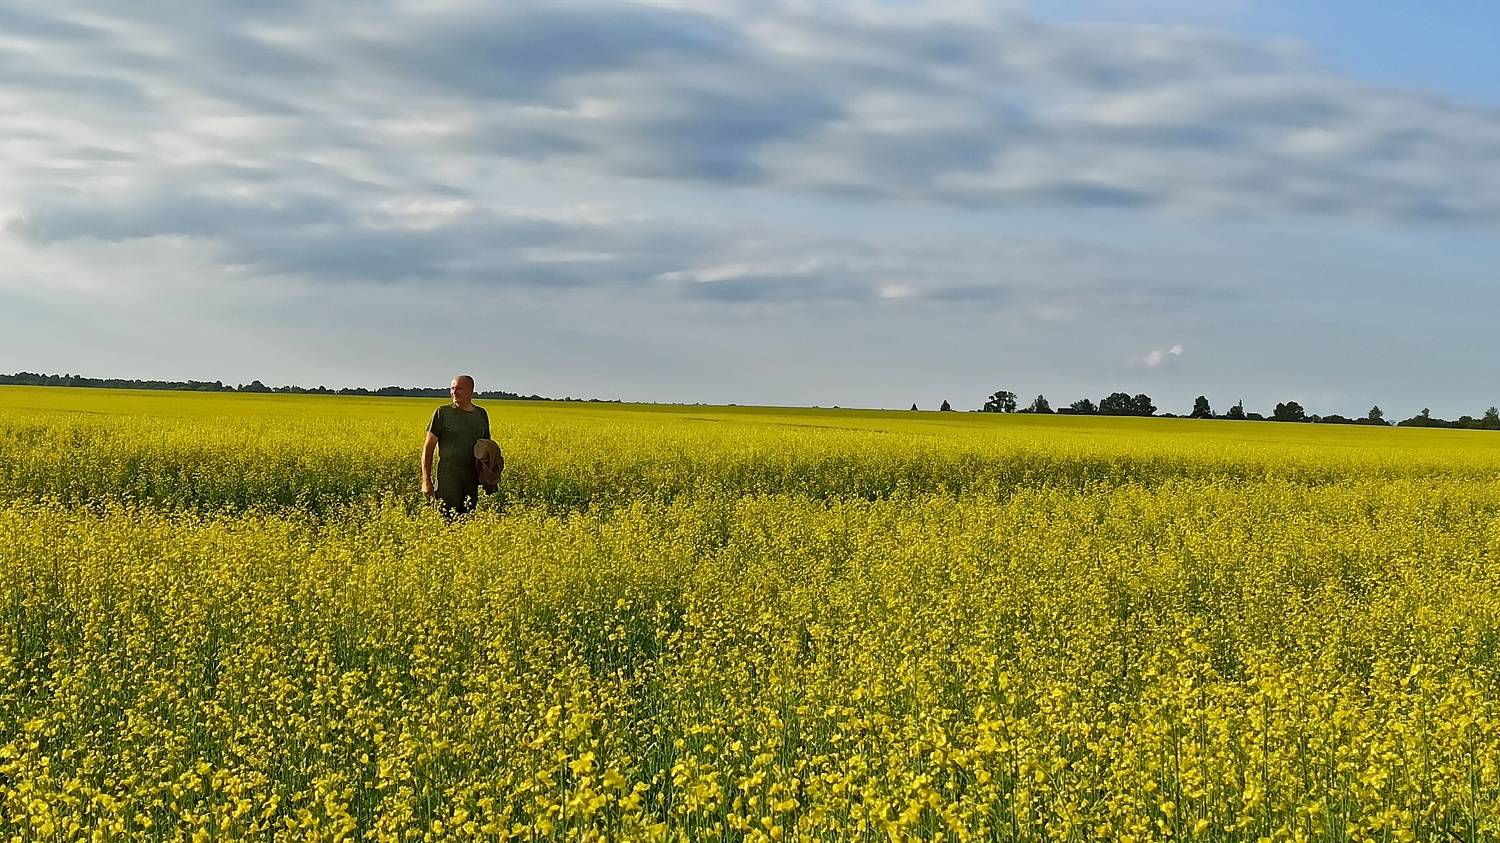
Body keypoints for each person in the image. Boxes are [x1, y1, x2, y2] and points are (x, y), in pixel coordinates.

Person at [421, 374, 491, 519]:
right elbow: (428, 447)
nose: (454, 392)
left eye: (459, 388)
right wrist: (426, 480)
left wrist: (489, 475)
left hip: (471, 476)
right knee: (446, 517)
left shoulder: (481, 414)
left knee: (468, 518)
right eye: (452, 388)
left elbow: (486, 447)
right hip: (448, 475)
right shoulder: (442, 413)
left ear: (471, 391)